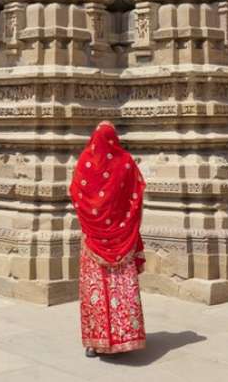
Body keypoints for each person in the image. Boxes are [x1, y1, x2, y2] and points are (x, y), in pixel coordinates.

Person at [69, 121, 146, 357]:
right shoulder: (126, 163)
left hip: (94, 240)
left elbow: (76, 193)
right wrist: (123, 222)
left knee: (96, 292)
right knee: (121, 288)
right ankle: (126, 336)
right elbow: (137, 194)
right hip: (122, 238)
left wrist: (93, 221)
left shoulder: (85, 162)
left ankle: (95, 342)